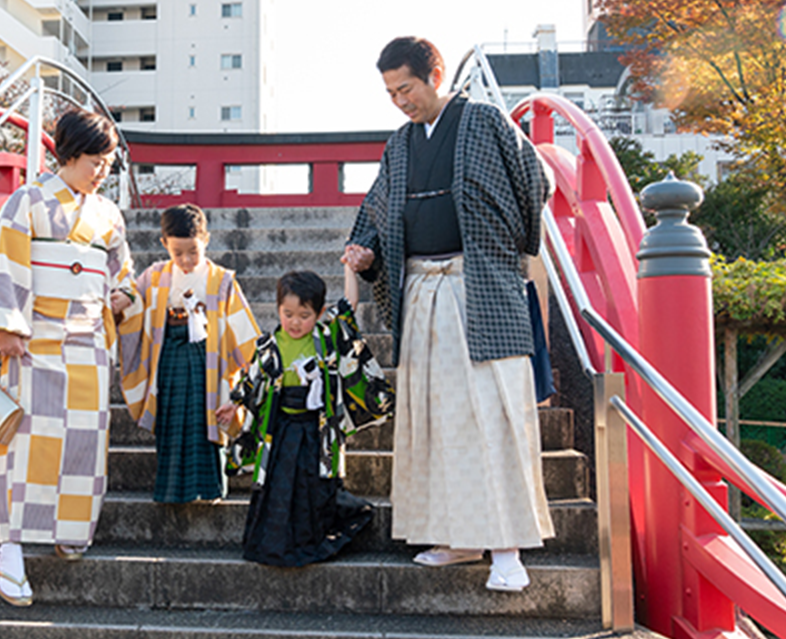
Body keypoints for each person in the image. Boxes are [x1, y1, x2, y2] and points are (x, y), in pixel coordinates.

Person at [341, 36, 554, 593]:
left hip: (478, 288)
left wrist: (507, 246)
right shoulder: (401, 144)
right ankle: (457, 536)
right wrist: (364, 249)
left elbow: (536, 182)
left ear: (435, 74)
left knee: (494, 416)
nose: (400, 101)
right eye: (390, 93)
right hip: (422, 293)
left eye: (405, 88)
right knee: (435, 420)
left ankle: (507, 549)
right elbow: (378, 207)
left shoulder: (483, 121)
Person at [0, 106, 135, 607]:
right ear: (69, 152)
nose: (102, 170)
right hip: (35, 338)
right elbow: (4, 265)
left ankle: (71, 529)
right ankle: (11, 550)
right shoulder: (29, 201)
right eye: (94, 159)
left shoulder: (107, 214)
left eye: (107, 161)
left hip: (88, 342)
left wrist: (124, 295)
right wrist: (6, 327)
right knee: (26, 444)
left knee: (85, 440)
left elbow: (121, 272)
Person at [221, 269, 392, 567]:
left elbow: (348, 308)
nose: (295, 322)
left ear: (319, 313)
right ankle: (273, 544)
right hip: (281, 427)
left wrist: (350, 270)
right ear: (278, 310)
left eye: (304, 315)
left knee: (312, 488)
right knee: (276, 486)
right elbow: (253, 378)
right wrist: (234, 402)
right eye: (287, 314)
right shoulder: (269, 345)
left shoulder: (325, 340)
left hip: (316, 429)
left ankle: (311, 543)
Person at [117, 204, 259, 503]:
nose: (185, 259)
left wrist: (252, 368)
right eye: (177, 252)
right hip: (167, 352)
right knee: (170, 418)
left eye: (193, 251)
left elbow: (244, 332)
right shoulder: (155, 275)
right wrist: (121, 302)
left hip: (208, 358)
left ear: (205, 240)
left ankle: (210, 489)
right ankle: (171, 491)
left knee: (205, 418)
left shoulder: (221, 280)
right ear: (163, 244)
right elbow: (133, 303)